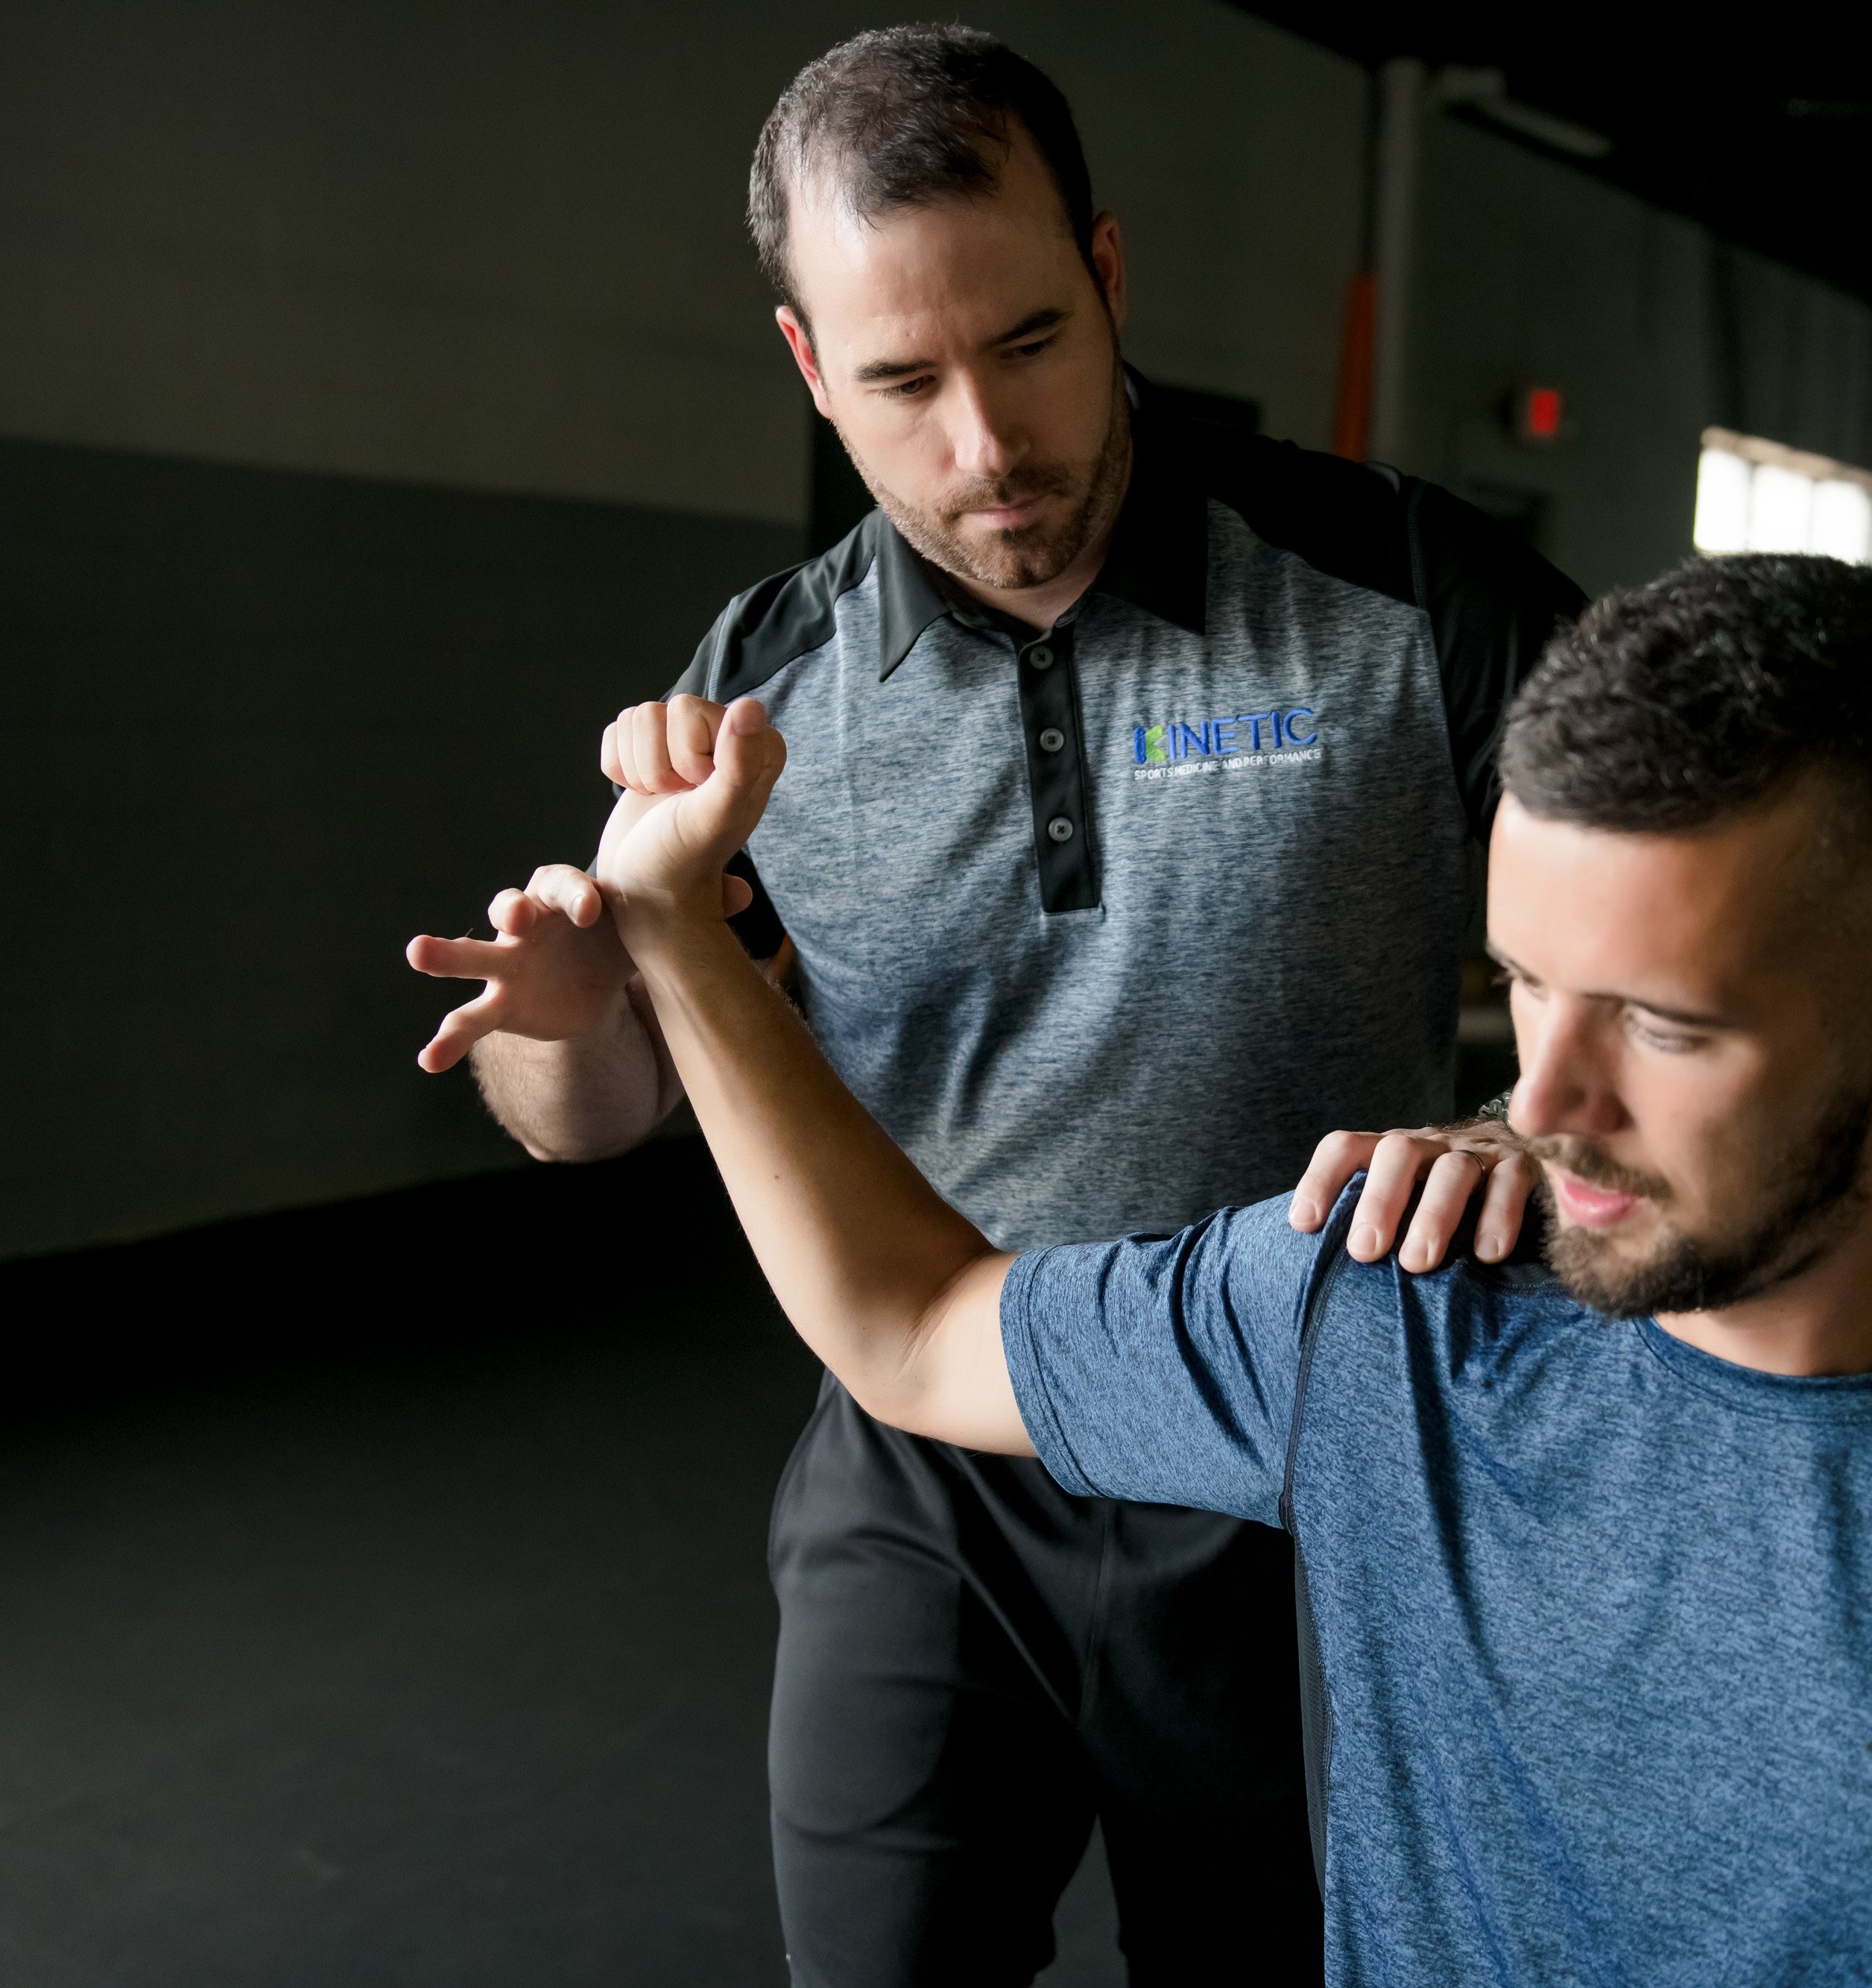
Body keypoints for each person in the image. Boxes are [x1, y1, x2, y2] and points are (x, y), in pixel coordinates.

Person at [578, 552, 1872, 1985]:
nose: (1540, 1103)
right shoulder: (1383, 1310)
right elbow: (913, 1329)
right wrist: (676, 929)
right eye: (1520, 987)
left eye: (1660, 1023)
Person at [405, 25, 1580, 1984]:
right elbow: (587, 1116)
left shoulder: (1398, 584)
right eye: (900, 382)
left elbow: (1689, 911)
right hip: (927, 1463)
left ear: (1108, 277)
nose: (986, 443)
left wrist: (1536, 1108)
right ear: (806, 365)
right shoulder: (764, 677)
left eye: (1028, 342)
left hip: (1294, 1449)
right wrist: (562, 1007)